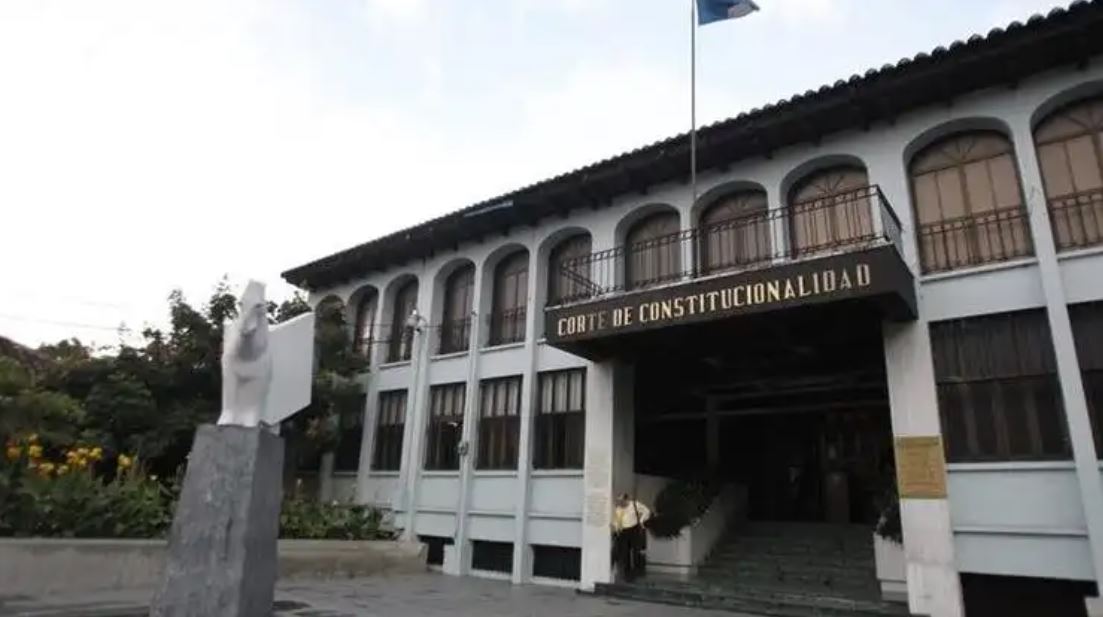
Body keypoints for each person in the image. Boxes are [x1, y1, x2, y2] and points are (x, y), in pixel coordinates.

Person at [611, 492, 651, 582]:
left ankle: (637, 572)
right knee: (625, 553)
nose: (620, 503)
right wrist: (616, 527)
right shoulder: (618, 509)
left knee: (636, 552)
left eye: (622, 501)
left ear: (626, 499)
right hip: (623, 532)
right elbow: (617, 520)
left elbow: (646, 511)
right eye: (619, 501)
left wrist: (641, 521)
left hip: (634, 530)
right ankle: (627, 575)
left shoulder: (635, 504)